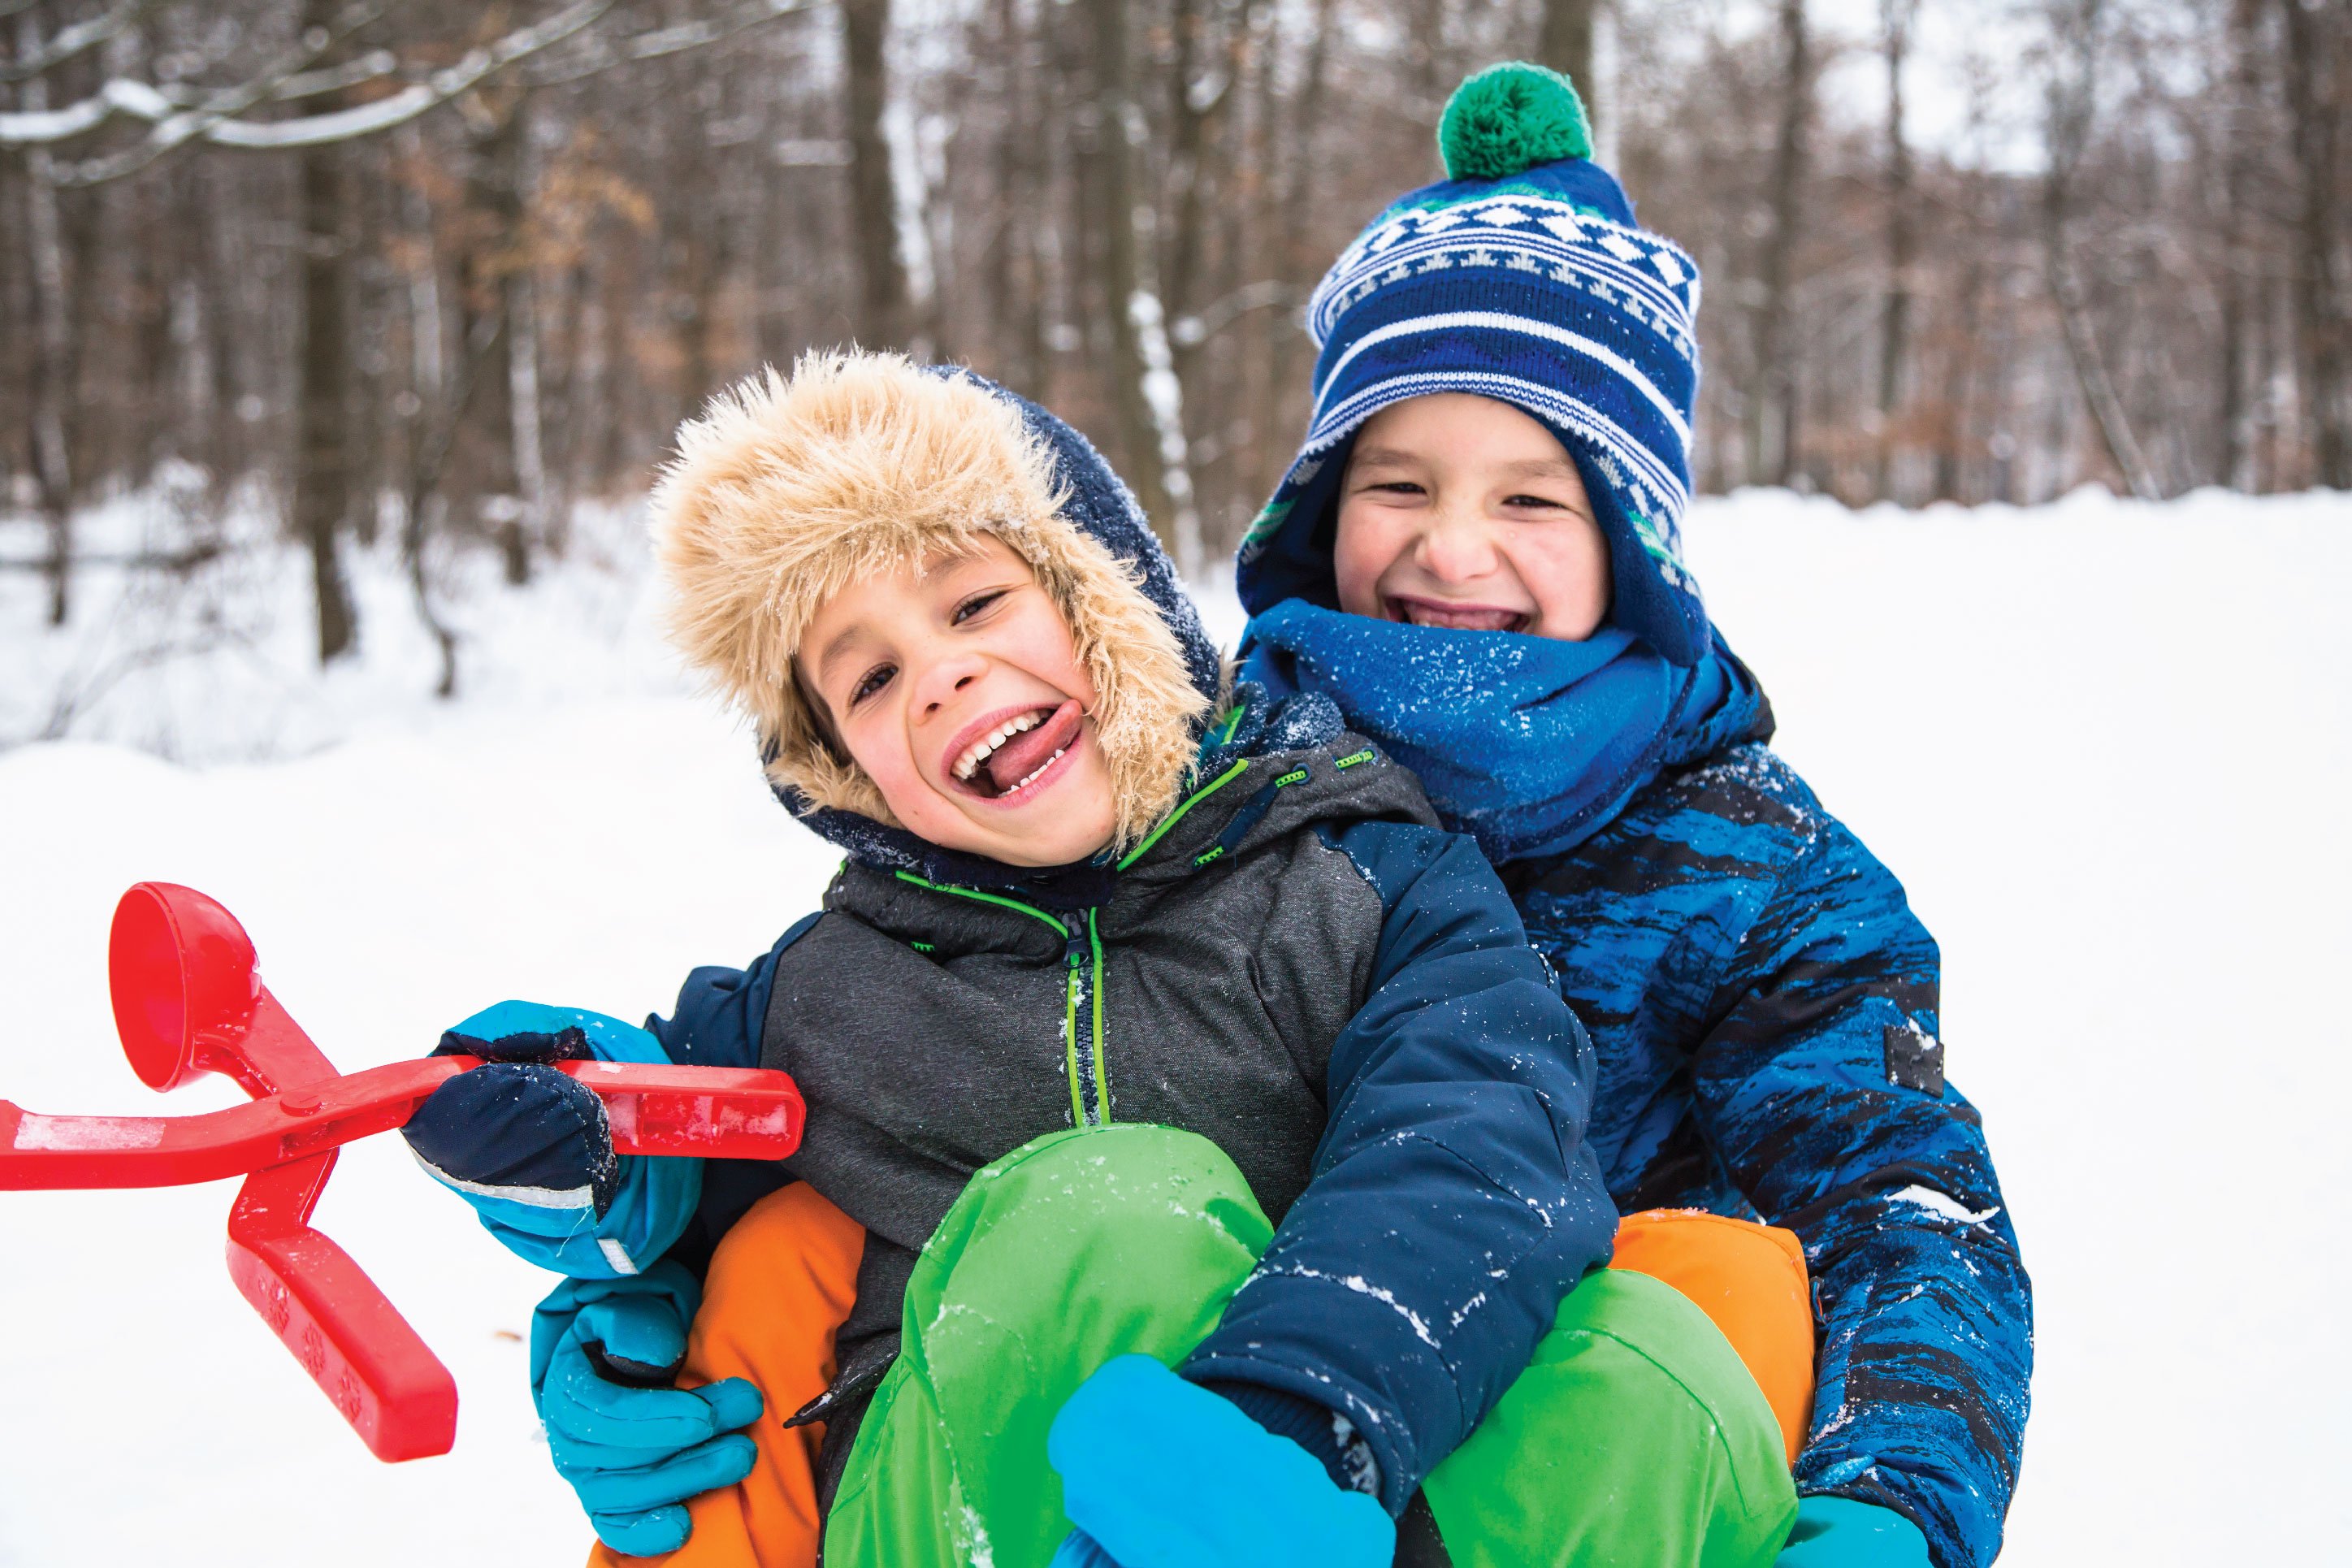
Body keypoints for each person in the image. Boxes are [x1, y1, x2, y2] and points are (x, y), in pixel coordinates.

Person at [401, 350, 1809, 1568]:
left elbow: (1475, 1138)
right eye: (872, 677)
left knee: (1657, 1362)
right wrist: (580, 1126)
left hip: (1303, 1478)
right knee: (1114, 1213)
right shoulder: (833, 986)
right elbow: (684, 1130)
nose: (942, 675)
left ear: (1104, 600)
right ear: (844, 770)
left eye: (972, 605)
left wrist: (1298, 1411)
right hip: (944, 1503)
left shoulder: (1358, 878)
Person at [1231, 62, 2032, 1568]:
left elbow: (1903, 1200)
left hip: (1590, 1480)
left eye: (1534, 499)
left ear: (1638, 548)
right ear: (1317, 515)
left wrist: (1895, 1497)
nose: (1451, 544)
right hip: (1253, 1456)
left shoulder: (1754, 869)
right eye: (1396, 480)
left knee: (1706, 1281)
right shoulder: (1217, 787)